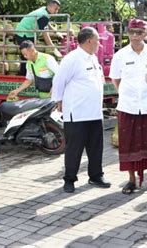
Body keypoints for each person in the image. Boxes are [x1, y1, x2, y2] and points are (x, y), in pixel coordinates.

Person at [51, 27, 111, 193]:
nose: (100, 43)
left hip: (94, 113)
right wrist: (59, 100)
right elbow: (58, 81)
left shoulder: (92, 58)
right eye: (98, 40)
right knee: (74, 149)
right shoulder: (72, 59)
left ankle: (96, 175)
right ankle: (69, 179)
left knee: (96, 147)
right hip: (76, 113)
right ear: (90, 41)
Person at [109, 19, 147, 194]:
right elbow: (115, 79)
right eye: (132, 32)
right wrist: (127, 93)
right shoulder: (121, 55)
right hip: (128, 106)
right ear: (128, 33)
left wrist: (146, 91)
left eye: (139, 32)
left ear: (145, 34)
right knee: (129, 143)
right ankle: (131, 180)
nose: (135, 36)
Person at [15, 0, 63, 75]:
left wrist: (56, 31)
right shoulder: (43, 15)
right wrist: (54, 50)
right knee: (28, 55)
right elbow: (45, 35)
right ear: (50, 6)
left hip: (29, 33)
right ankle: (24, 75)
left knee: (31, 54)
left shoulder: (45, 10)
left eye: (58, 9)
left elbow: (47, 22)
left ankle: (29, 74)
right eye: (56, 9)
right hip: (23, 33)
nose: (57, 12)